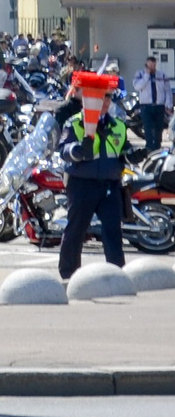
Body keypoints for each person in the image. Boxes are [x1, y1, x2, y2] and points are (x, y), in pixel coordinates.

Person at [59, 73, 130, 279]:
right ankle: (69, 276)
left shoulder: (118, 124)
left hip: (110, 185)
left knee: (113, 233)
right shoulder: (75, 123)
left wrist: (133, 154)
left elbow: (123, 150)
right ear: (89, 99)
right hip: (82, 185)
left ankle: (117, 275)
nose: (106, 102)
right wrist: (78, 150)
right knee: (76, 231)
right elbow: (64, 149)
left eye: (109, 97)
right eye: (102, 97)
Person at [133, 55, 173, 157]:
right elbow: (137, 86)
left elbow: (167, 91)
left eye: (154, 65)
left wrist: (168, 104)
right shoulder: (140, 74)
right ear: (146, 65)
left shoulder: (162, 75)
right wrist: (146, 76)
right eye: (150, 66)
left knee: (159, 128)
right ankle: (149, 149)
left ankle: (157, 148)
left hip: (159, 106)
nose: (152, 68)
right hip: (146, 106)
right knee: (148, 128)